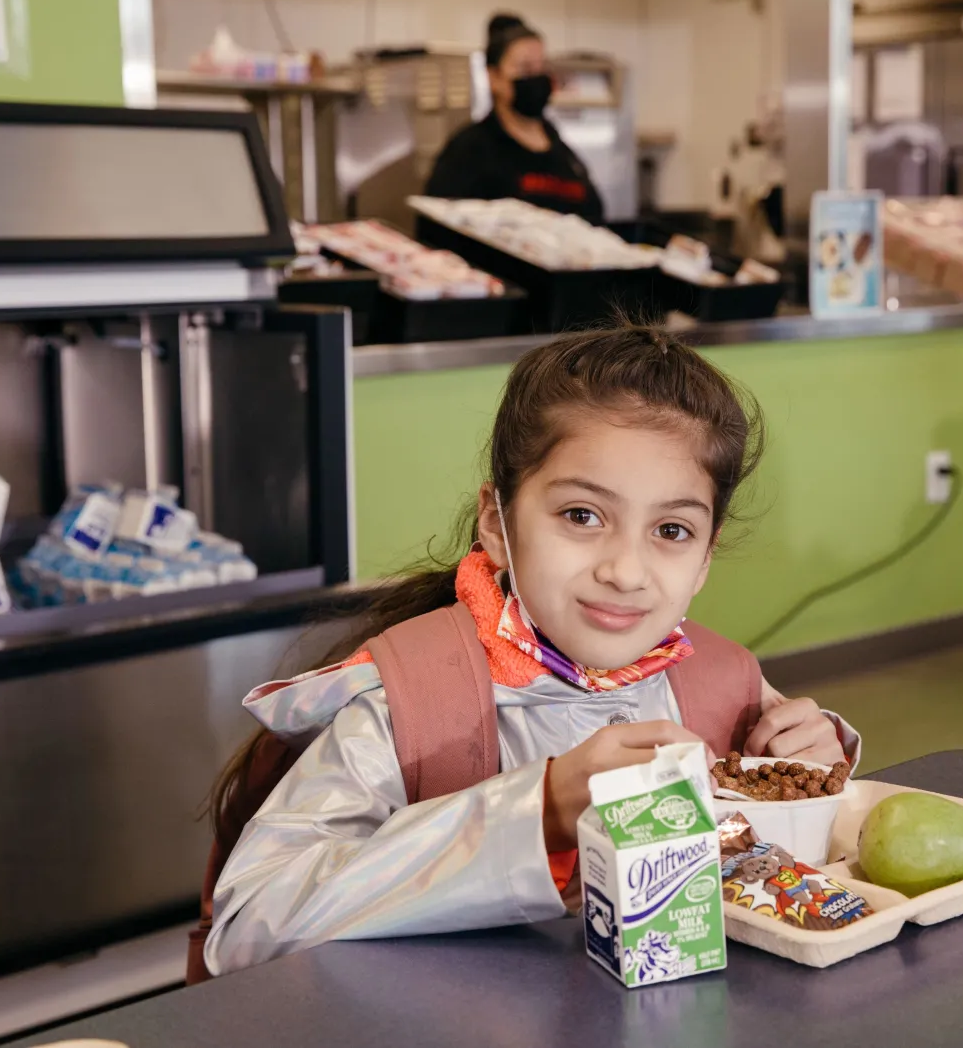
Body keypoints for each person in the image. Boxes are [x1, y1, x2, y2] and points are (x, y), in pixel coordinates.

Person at [199, 327, 857, 976]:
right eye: (581, 515)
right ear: (496, 521)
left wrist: (813, 781)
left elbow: (785, 885)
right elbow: (245, 929)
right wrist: (534, 813)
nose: (625, 570)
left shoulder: (724, 684)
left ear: (705, 559)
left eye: (671, 530)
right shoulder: (405, 704)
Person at [424, 13, 604, 223]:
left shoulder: (565, 156)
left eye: (542, 67)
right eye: (526, 68)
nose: (537, 77)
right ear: (494, 77)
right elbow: (438, 227)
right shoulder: (469, 151)